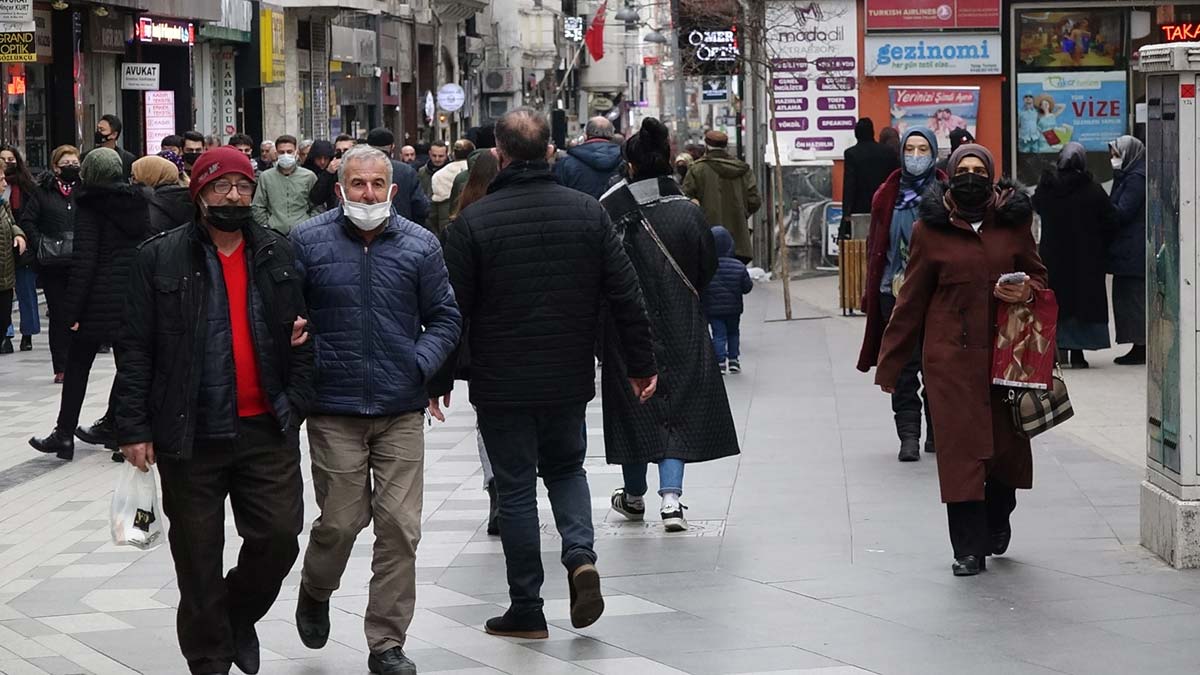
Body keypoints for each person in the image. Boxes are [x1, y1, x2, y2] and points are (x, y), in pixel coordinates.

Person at [429, 108, 657, 640]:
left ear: (500, 156)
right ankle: (580, 555)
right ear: (550, 151)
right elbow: (625, 294)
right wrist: (641, 363)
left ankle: (527, 609)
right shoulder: (587, 212)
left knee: (514, 491)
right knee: (567, 469)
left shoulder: (472, 224)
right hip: (567, 373)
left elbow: (451, 311)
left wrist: (436, 380)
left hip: (500, 379)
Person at [113, 146, 314, 675]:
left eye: (243, 186)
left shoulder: (279, 253)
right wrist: (133, 427)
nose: (233, 196)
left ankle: (234, 617)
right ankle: (208, 657)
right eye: (220, 186)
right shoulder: (159, 257)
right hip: (191, 432)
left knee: (278, 538)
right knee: (198, 557)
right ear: (199, 192)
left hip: (265, 427)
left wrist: (298, 398)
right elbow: (134, 347)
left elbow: (306, 335)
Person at [290, 145, 461, 675]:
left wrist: (420, 363)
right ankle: (316, 589)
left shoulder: (420, 244)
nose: (368, 194)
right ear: (340, 188)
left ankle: (386, 641)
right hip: (333, 406)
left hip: (399, 407)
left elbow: (446, 317)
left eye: (377, 185)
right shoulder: (307, 241)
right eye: (358, 184)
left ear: (392, 188)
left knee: (400, 528)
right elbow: (284, 316)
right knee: (341, 522)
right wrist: (300, 347)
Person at [875, 143, 1047, 577]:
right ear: (949, 175)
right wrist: (891, 363)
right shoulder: (929, 231)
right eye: (963, 170)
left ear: (990, 175)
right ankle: (968, 549)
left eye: (978, 170)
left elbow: (1041, 278)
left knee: (1007, 453)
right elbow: (910, 300)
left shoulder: (1013, 224)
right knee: (960, 456)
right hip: (950, 362)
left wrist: (1027, 291)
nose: (971, 176)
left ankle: (998, 515)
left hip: (1008, 359)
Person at [599, 118, 737, 533]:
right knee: (676, 404)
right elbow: (705, 269)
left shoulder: (611, 212)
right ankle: (672, 500)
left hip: (625, 326)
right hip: (683, 322)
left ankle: (634, 493)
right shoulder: (688, 213)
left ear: (632, 166)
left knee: (632, 406)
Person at [28, 148, 152, 462]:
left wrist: (72, 311)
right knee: (129, 368)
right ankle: (125, 433)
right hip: (132, 296)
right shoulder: (139, 203)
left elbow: (85, 262)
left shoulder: (89, 205)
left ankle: (64, 434)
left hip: (97, 299)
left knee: (78, 366)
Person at [857, 128, 945, 462]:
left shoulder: (946, 194)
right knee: (904, 368)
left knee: (936, 366)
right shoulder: (887, 194)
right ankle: (908, 435)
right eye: (911, 148)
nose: (917, 155)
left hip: (936, 297)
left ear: (934, 152)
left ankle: (937, 432)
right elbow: (876, 245)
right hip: (892, 294)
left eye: (924, 149)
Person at [443, 148, 502, 535]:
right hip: (531, 340)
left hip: (483, 343)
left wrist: (441, 373)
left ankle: (498, 486)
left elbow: (450, 300)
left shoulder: (461, 224)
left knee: (489, 421)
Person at [1033, 142, 1118, 369]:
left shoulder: (1047, 187)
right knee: (1081, 302)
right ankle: (1078, 353)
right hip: (1086, 258)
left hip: (1053, 256)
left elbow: (1037, 206)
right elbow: (1110, 220)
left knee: (1056, 302)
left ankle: (1056, 351)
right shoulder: (1092, 190)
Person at [19, 145, 79, 381]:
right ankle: (61, 366)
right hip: (53, 263)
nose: (72, 168)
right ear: (56, 167)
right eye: (67, 164)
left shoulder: (83, 192)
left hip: (79, 261)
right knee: (58, 314)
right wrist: (41, 243)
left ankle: (78, 362)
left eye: (75, 164)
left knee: (78, 313)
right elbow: (28, 220)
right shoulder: (42, 192)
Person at [682, 130, 761, 263]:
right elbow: (754, 200)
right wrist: (741, 214)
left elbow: (685, 200)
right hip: (738, 240)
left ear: (706, 145)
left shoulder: (697, 169)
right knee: (735, 275)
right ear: (726, 146)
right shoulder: (743, 170)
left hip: (707, 238)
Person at [1108, 136, 1147, 365]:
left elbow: (1123, 211)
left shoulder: (1135, 179)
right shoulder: (1128, 175)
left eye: (1116, 154)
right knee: (1127, 297)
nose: (1114, 159)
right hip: (1128, 247)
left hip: (1133, 248)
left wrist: (1104, 211)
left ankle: (1139, 345)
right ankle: (1137, 344)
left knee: (1132, 299)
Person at [1, 145, 39, 352]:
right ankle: (6, 334)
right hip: (3, 247)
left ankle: (28, 333)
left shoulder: (27, 187)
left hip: (24, 245)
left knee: (26, 291)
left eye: (11, 158)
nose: (7, 163)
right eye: (3, 159)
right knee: (5, 293)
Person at [703, 225, 753, 374]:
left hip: (713, 310)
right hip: (734, 309)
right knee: (733, 333)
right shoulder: (738, 266)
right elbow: (747, 287)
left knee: (718, 334)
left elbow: (702, 287)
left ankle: (720, 361)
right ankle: (733, 360)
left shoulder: (707, 267)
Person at [841, 118, 901, 240]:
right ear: (873, 132)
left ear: (856, 134)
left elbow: (849, 184)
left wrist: (846, 212)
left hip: (860, 208)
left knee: (861, 246)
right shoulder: (888, 152)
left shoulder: (851, 153)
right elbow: (895, 179)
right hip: (885, 206)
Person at [251, 135, 318, 236]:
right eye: (282, 152)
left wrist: (309, 224)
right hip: (275, 234)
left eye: (289, 152)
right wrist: (267, 225)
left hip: (304, 233)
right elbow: (258, 206)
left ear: (296, 152)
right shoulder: (266, 177)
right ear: (276, 153)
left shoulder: (309, 176)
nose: (285, 155)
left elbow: (317, 206)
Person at [366, 127, 430, 226]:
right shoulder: (406, 172)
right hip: (400, 230)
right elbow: (421, 208)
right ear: (392, 147)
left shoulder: (357, 171)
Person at [555, 116, 623, 200]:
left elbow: (558, 196)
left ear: (585, 135)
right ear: (612, 134)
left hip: (579, 211)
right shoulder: (625, 160)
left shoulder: (565, 164)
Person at [0, 172, 27, 356]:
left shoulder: (3, 204)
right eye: (1, 179)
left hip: (6, 276)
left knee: (3, 322)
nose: (5, 183)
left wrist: (18, 234)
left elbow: (12, 223)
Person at [423, 139, 473, 237]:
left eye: (441, 156)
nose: (437, 159)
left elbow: (433, 213)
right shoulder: (478, 171)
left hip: (446, 229)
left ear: (453, 154)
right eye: (434, 155)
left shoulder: (438, 176)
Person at [133, 155, 192, 233]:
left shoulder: (149, 210)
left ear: (149, 176)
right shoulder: (191, 200)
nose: (132, 182)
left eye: (134, 177)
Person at [309, 134, 355, 213]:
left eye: (346, 150)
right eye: (338, 151)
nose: (342, 154)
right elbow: (316, 198)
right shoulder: (332, 172)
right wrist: (328, 173)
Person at [89, 114, 136, 180]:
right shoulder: (89, 156)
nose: (98, 133)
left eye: (102, 130)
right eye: (98, 129)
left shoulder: (127, 159)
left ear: (114, 134)